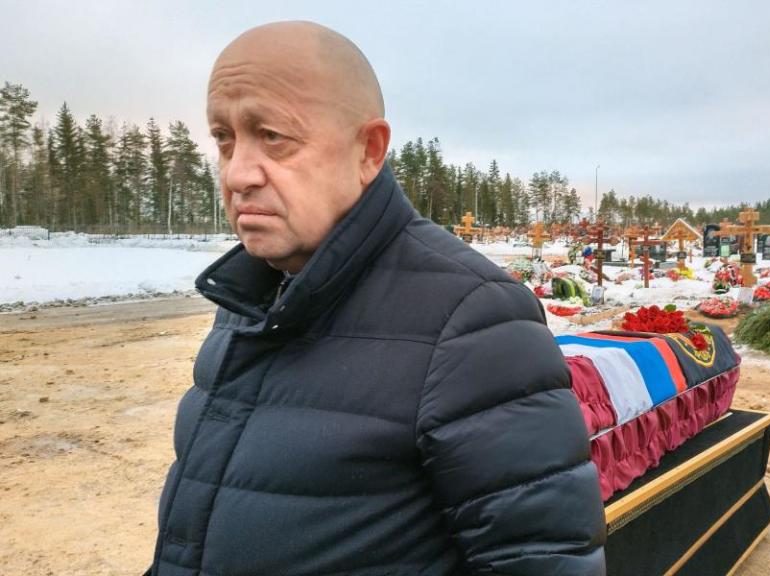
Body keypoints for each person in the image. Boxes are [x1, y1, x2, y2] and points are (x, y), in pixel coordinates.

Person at [145, 21, 606, 576]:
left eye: (272, 136)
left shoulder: (473, 319)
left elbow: (544, 561)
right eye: (224, 138)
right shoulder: (252, 294)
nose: (237, 172)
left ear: (368, 150)